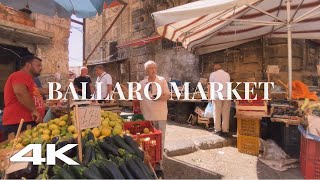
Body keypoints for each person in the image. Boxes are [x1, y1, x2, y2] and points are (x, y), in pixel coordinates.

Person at [2, 55, 45, 140]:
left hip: (27, 122)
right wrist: (34, 110)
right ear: (28, 65)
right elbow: (20, 92)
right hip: (18, 123)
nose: (41, 68)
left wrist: (61, 89)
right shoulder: (19, 75)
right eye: (38, 65)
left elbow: (40, 91)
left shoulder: (29, 80)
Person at [139, 60, 170, 178]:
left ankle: (159, 166)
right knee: (147, 142)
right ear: (146, 70)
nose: (152, 70)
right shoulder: (142, 83)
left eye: (154, 68)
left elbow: (168, 95)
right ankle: (149, 163)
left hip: (160, 115)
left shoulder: (161, 80)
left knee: (160, 141)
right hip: (147, 116)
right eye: (150, 68)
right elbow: (137, 95)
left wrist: (159, 97)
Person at [209, 64, 231, 137]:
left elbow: (210, 85)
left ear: (215, 69)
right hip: (226, 96)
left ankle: (218, 130)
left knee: (217, 113)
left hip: (217, 96)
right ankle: (225, 130)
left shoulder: (213, 74)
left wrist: (209, 97)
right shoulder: (227, 74)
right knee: (226, 114)